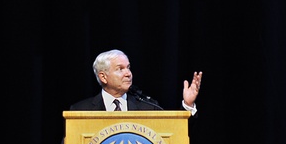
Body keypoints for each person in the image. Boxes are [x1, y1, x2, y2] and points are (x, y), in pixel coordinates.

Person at [69, 49, 203, 113]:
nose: (128, 73)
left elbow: (175, 132)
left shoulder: (148, 107)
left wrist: (187, 104)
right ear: (103, 77)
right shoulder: (81, 110)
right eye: (120, 69)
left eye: (128, 67)